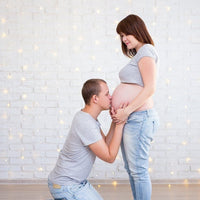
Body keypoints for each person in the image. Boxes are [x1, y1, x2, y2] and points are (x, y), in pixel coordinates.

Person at [48, 79, 125, 200]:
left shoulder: (87, 117)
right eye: (106, 94)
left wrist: (115, 122)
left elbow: (105, 143)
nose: (110, 97)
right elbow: (110, 157)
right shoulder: (86, 123)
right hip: (66, 185)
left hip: (77, 182)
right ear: (95, 98)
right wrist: (121, 124)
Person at [111, 14, 160, 200]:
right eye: (121, 36)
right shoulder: (140, 54)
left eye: (126, 34)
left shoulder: (147, 50)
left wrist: (126, 111)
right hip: (132, 119)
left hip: (139, 118)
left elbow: (150, 88)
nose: (123, 39)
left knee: (138, 170)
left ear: (137, 29)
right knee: (132, 169)